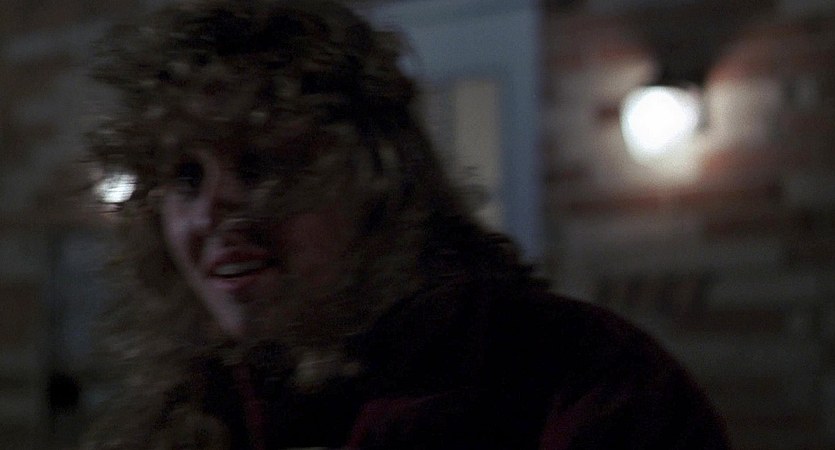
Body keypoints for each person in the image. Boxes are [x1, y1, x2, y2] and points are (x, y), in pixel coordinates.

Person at [84, 1, 729, 448]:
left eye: (262, 164)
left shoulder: (583, 381)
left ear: (378, 179)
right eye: (186, 178)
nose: (211, 212)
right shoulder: (187, 412)